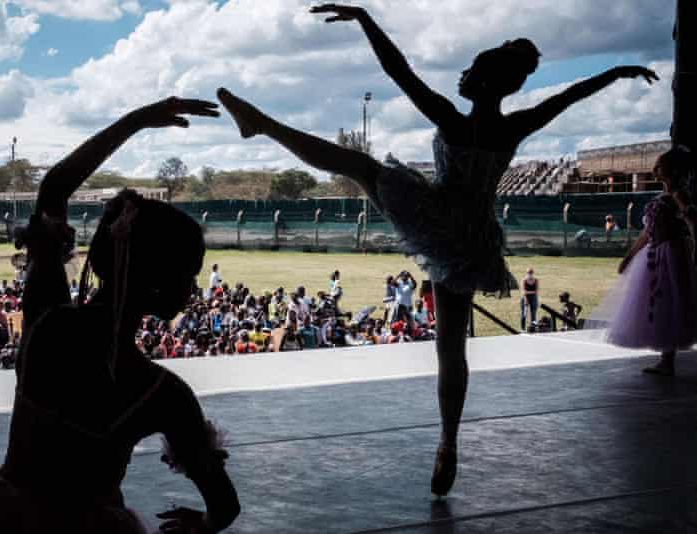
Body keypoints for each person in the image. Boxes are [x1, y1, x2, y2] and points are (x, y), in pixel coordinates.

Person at [217, 2, 658, 497]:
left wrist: (364, 19)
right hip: (473, 238)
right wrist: (616, 71)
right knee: (452, 348)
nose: (463, 76)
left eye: (471, 69)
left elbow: (398, 70)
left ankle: (264, 125)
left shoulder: (451, 119)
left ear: (484, 80)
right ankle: (448, 442)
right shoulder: (514, 127)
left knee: (360, 167)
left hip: (437, 214)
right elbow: (570, 96)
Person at [0, 97, 239, 534]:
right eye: (188, 275)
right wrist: (203, 525)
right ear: (159, 287)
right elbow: (224, 506)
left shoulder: (47, 325)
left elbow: (55, 188)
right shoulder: (161, 393)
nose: (193, 289)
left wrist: (139, 120)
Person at [603, 147, 697, 376]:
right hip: (656, 253)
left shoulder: (679, 195)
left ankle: (667, 359)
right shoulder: (663, 197)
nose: (655, 168)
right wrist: (629, 256)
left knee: (671, 300)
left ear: (673, 170)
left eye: (660, 165)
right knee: (662, 302)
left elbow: (692, 222)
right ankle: (666, 359)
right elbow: (647, 232)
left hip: (671, 254)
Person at [520, 268, 539, 332]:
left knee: (533, 314)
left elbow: (536, 291)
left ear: (533, 273)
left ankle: (533, 328)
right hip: (525, 298)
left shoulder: (536, 280)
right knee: (524, 314)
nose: (530, 274)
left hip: (534, 298)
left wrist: (528, 292)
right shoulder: (524, 280)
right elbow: (524, 291)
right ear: (527, 273)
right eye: (528, 273)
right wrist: (526, 299)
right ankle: (522, 329)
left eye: (531, 273)